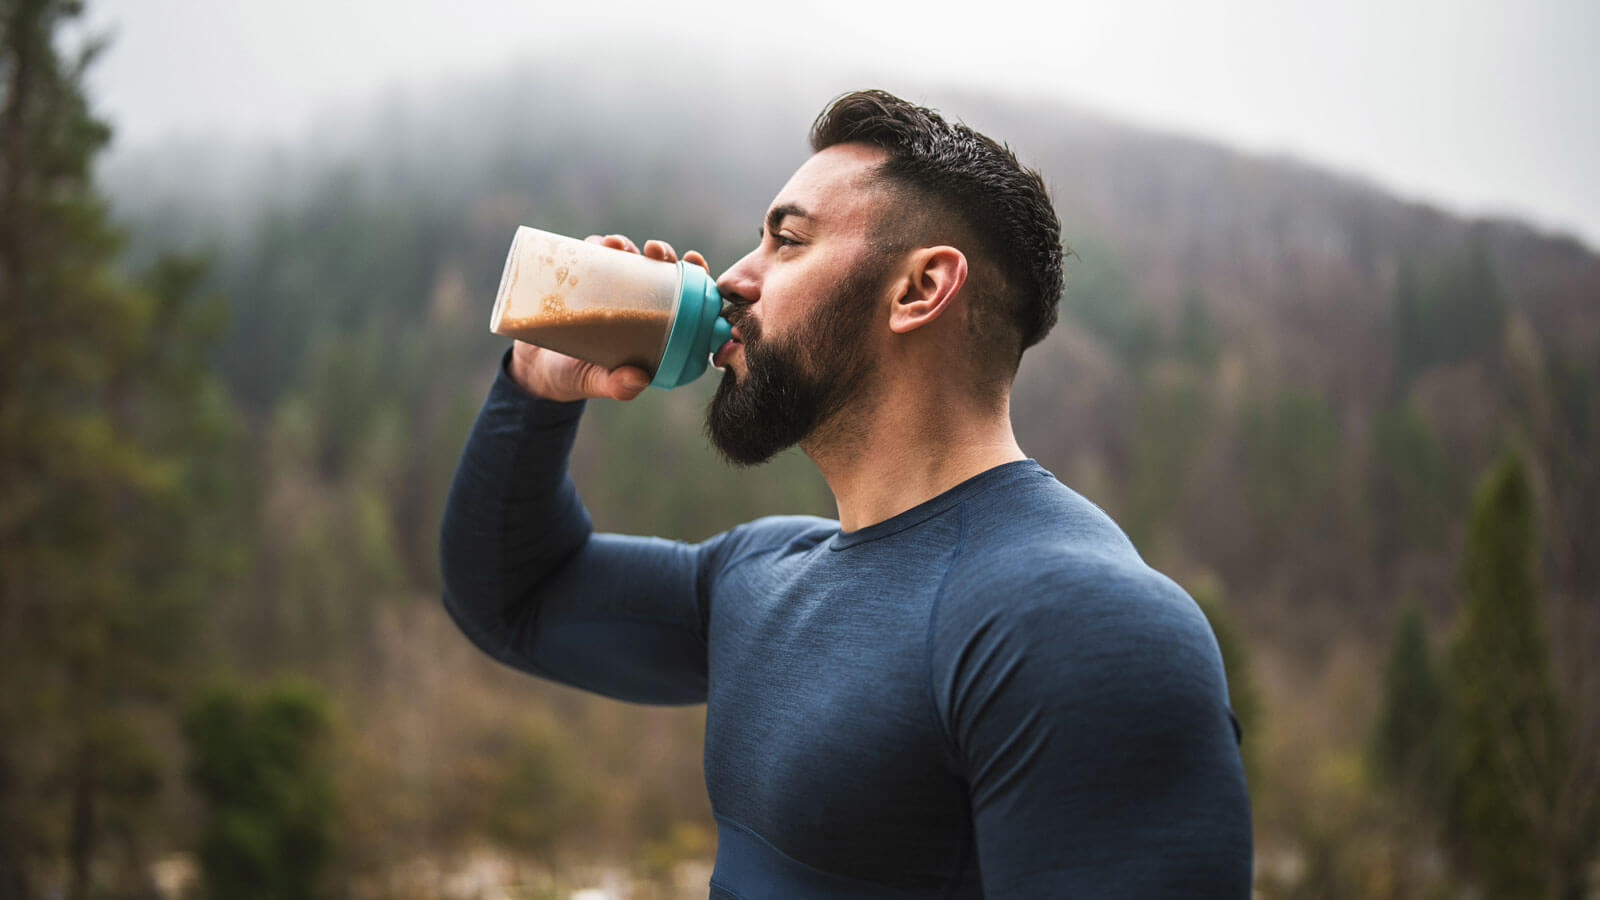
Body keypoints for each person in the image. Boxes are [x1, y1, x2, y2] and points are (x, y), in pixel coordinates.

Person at [440, 89, 1252, 898]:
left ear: (920, 289)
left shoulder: (1082, 625)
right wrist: (535, 387)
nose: (729, 279)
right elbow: (515, 597)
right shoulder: (762, 574)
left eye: (786, 242)